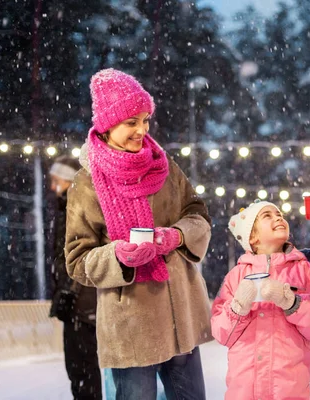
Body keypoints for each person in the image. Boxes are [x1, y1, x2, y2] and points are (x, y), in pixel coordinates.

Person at [65, 68, 212, 400]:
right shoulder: (85, 183)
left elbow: (198, 215)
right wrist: (117, 255)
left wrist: (176, 236)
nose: (142, 130)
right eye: (132, 122)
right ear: (107, 125)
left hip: (180, 314)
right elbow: (77, 261)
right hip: (131, 324)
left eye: (145, 120)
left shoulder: (164, 165)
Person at [211, 201, 310, 400]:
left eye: (279, 214)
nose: (278, 217)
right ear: (253, 237)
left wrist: (292, 303)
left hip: (290, 390)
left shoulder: (305, 271)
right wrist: (236, 308)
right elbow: (221, 334)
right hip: (243, 391)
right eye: (267, 215)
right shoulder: (235, 276)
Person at [48, 155, 102, 400]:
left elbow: (80, 256)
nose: (52, 186)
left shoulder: (76, 207)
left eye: (56, 181)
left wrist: (70, 291)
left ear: (70, 181)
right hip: (80, 303)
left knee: (83, 370)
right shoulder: (70, 207)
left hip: (82, 304)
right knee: (82, 370)